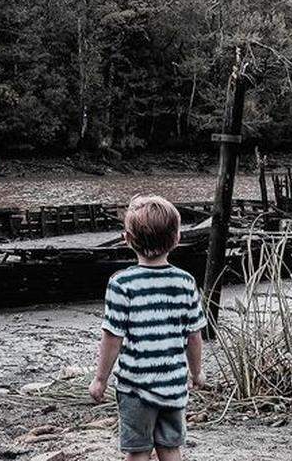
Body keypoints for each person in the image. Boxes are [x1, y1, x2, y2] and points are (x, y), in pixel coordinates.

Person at [88, 195, 207, 461]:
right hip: (173, 385)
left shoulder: (121, 284)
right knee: (170, 447)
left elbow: (112, 336)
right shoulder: (185, 282)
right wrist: (197, 373)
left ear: (127, 239)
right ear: (177, 239)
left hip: (135, 388)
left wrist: (100, 379)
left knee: (138, 450)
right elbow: (194, 336)